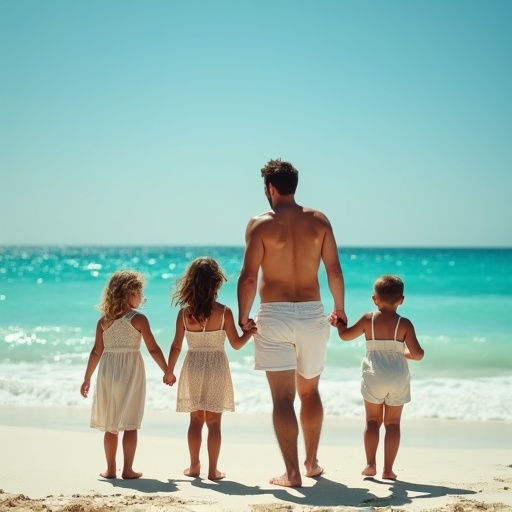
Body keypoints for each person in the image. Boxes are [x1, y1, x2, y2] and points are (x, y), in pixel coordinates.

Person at [237, 158, 346, 488]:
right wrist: (339, 310)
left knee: (282, 399)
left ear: (270, 188)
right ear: (293, 185)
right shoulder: (320, 221)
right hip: (313, 313)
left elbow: (248, 278)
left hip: (275, 315)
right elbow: (334, 271)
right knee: (310, 392)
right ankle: (311, 463)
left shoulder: (259, 224)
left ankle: (292, 473)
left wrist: (244, 317)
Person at [164, 257, 255, 481]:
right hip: (216, 366)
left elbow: (176, 345)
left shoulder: (185, 314)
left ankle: (194, 466)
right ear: (216, 283)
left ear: (190, 283)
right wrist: (249, 333)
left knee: (195, 420)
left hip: (192, 365)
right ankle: (213, 470)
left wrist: (169, 370)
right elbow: (235, 344)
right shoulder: (224, 312)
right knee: (214, 422)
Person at [329, 274, 424, 480]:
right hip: (397, 376)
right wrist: (403, 353)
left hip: (374, 375)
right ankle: (388, 470)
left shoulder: (368, 319)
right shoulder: (405, 324)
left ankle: (370, 464)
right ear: (401, 300)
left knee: (372, 421)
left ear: (375, 299)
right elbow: (418, 354)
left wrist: (339, 325)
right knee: (393, 424)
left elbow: (345, 336)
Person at [80, 270, 168, 479]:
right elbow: (153, 349)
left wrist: (87, 378)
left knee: (111, 425)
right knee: (130, 423)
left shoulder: (104, 321)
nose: (142, 298)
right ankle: (127, 470)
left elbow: (96, 351)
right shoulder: (138, 319)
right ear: (129, 294)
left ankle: (110, 469)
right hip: (131, 373)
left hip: (107, 373)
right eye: (140, 293)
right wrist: (167, 371)